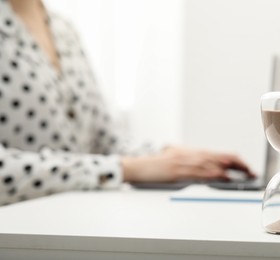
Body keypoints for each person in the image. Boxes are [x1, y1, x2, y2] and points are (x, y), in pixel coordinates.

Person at [0, 0, 254, 205]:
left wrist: (174, 158)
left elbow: (106, 143)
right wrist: (127, 168)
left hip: (74, 218)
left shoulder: (62, 29)